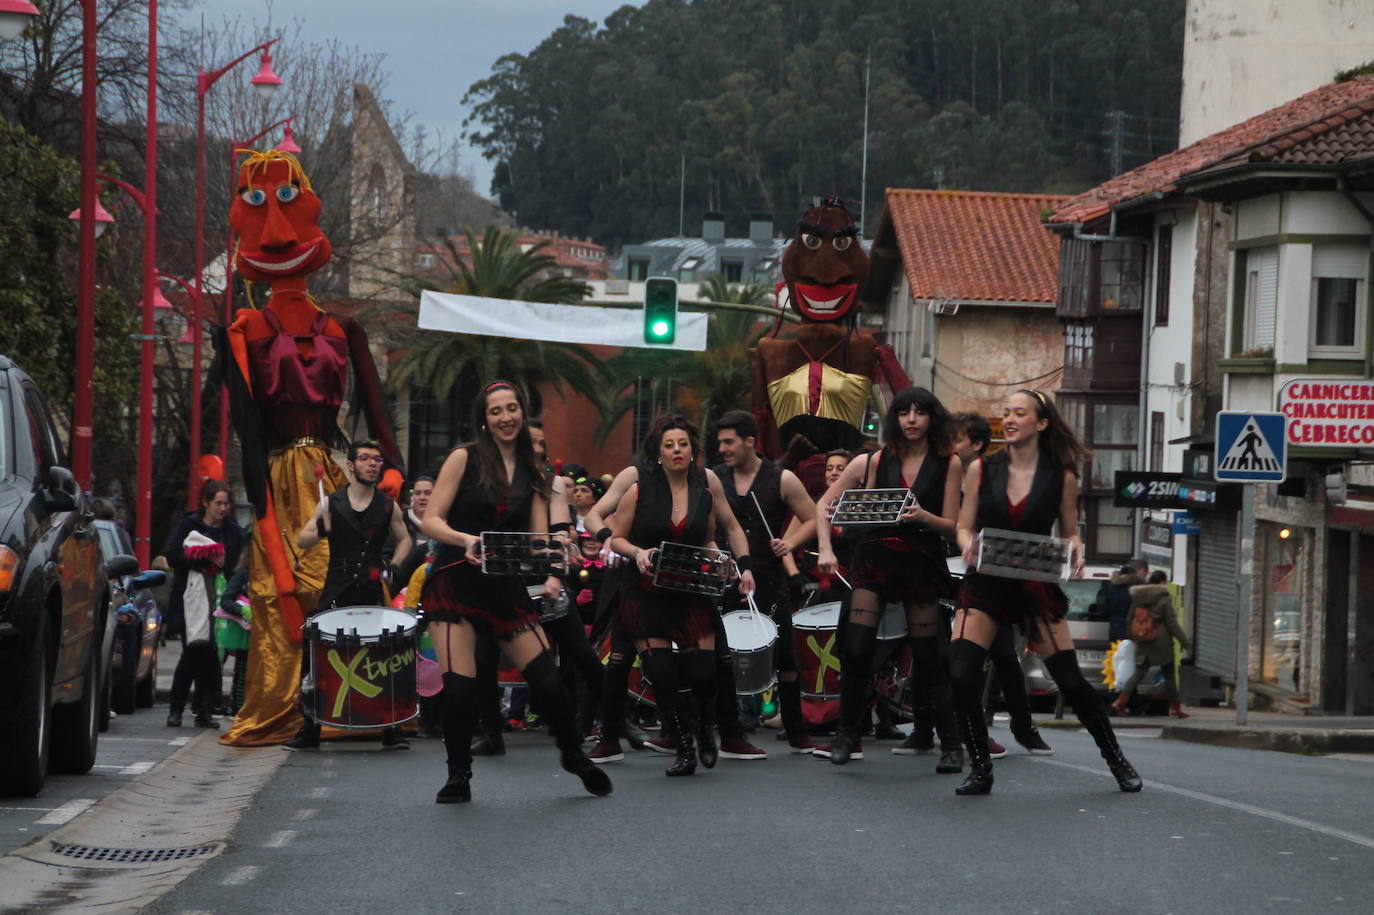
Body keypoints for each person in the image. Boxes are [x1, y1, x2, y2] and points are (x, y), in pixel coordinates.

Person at [215, 150, 405, 748]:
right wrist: (269, 530)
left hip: (334, 471)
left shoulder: (344, 329)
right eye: (258, 208)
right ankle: (295, 707)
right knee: (283, 595)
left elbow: (379, 421)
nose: (276, 230)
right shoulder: (243, 331)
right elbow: (249, 435)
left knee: (352, 582)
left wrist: (391, 477)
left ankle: (362, 704)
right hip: (279, 478)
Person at [419, 381, 611, 803]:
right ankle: (458, 775)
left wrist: (558, 549)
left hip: (505, 587)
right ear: (483, 419)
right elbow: (430, 519)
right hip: (454, 580)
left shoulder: (535, 473)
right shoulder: (463, 458)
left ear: (522, 413)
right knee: (461, 686)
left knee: (549, 680)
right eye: (495, 411)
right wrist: (466, 539)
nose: (505, 418)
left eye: (512, 409)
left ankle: (572, 755)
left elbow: (538, 541)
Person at [950, 389, 1141, 795]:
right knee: (962, 672)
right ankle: (980, 768)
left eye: (1021, 413)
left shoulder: (1062, 476)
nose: (1011, 419)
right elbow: (963, 524)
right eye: (1007, 413)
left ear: (1041, 423)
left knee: (1071, 682)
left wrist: (1076, 549)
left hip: (1034, 582)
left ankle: (1117, 760)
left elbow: (1070, 530)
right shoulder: (981, 469)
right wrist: (967, 542)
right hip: (986, 580)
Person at [815, 387, 963, 772]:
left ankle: (951, 745)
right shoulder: (873, 460)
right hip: (874, 558)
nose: (911, 420)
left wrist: (922, 517)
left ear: (933, 418)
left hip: (920, 560)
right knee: (858, 647)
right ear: (894, 419)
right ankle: (847, 736)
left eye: (919, 412)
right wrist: (827, 551)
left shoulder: (949, 463)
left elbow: (952, 527)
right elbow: (823, 506)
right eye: (903, 413)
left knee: (930, 655)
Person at [608, 415, 757, 777]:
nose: (677, 451)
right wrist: (637, 553)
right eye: (669, 445)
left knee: (703, 675)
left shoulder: (704, 490)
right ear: (658, 454)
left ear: (693, 450)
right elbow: (617, 537)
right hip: (644, 594)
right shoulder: (639, 490)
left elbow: (709, 537)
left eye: (683, 444)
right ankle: (684, 747)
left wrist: (725, 560)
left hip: (689, 591)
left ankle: (706, 727)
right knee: (660, 672)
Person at [914, 411, 1051, 760]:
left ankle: (1019, 726)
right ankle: (923, 727)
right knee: (931, 648)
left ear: (976, 445)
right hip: (941, 573)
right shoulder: (938, 476)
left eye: (956, 440)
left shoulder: (993, 477)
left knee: (1002, 653)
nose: (948, 446)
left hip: (986, 578)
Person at [284, 440, 413, 750]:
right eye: (366, 459)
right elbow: (302, 540)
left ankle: (390, 728)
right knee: (314, 654)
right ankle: (310, 728)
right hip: (336, 590)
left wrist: (394, 566)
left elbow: (405, 540)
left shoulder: (387, 505)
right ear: (351, 465)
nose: (372, 464)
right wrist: (321, 530)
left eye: (377, 460)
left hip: (370, 590)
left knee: (384, 655)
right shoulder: (330, 503)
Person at [710, 411, 821, 753]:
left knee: (786, 656)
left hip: (768, 577)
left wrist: (790, 543)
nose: (723, 448)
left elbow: (814, 518)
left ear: (750, 442)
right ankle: (731, 730)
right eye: (719, 443)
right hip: (724, 576)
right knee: (720, 655)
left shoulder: (781, 478)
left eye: (729, 442)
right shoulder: (714, 478)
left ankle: (796, 730)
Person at [163, 480, 245, 729]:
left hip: (221, 597)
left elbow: (236, 564)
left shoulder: (233, 531)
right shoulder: (189, 526)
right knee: (192, 652)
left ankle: (205, 709)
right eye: (218, 503)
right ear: (206, 502)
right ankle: (176, 708)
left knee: (212, 657)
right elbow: (173, 554)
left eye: (226, 503)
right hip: (193, 598)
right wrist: (203, 560)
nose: (223, 508)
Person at [1113, 570, 1192, 718]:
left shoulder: (1138, 597)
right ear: (1162, 582)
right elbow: (1171, 623)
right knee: (1169, 675)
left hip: (1142, 639)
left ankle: (1120, 702)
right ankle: (1175, 709)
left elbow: (1130, 619)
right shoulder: (1163, 598)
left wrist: (1133, 637)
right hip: (1161, 641)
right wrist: (1184, 641)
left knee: (1139, 673)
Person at [1104, 559, 1148, 643]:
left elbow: (1106, 610)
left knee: (1116, 653)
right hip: (1134, 630)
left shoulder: (1112, 587)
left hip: (1115, 630)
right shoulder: (1139, 587)